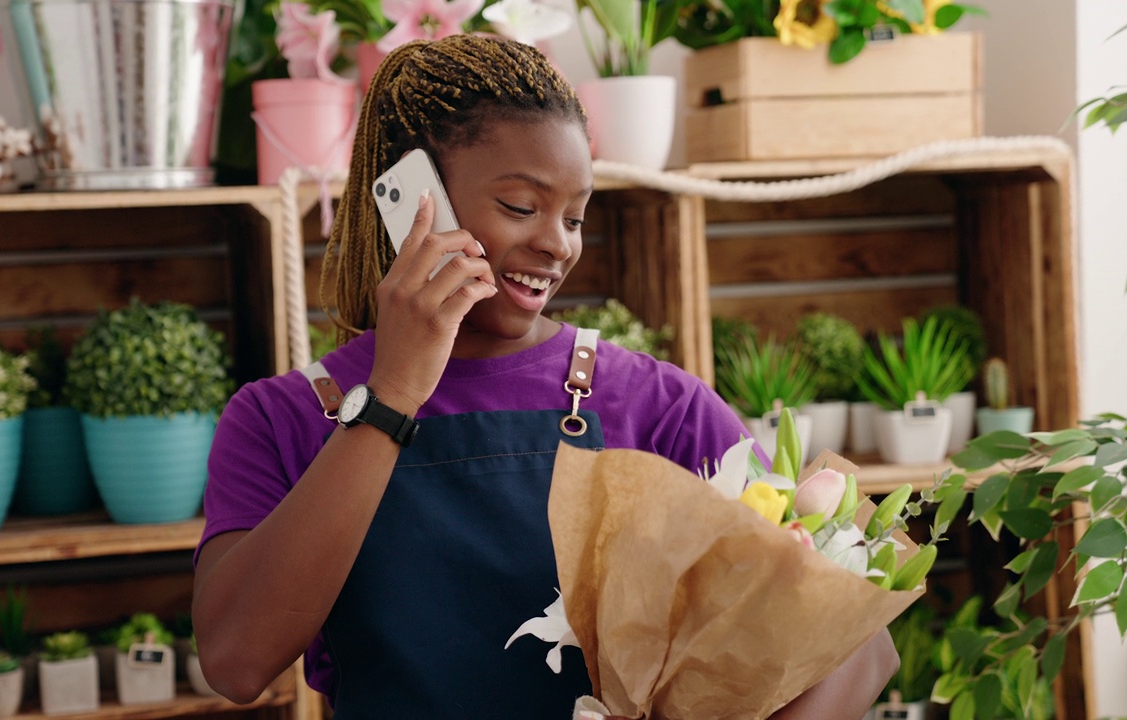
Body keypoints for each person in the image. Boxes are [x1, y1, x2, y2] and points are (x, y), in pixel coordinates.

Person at [192, 33, 898, 719]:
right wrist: (391, 396)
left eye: (576, 215)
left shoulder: (659, 406)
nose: (557, 244)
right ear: (409, 196)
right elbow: (236, 663)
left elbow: (859, 640)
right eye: (521, 207)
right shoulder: (280, 418)